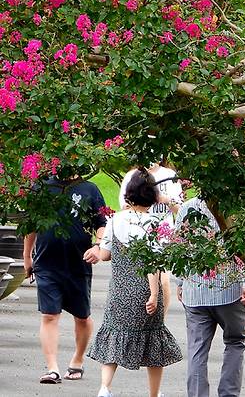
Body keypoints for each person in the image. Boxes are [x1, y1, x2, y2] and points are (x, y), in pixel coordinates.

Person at [88, 167, 182, 397]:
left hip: (120, 291)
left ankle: (104, 387)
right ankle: (154, 393)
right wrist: (153, 295)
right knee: (154, 339)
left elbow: (105, 255)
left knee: (114, 333)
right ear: (153, 196)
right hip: (147, 292)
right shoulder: (156, 224)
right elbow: (154, 263)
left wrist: (96, 249)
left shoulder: (115, 220)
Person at [23, 171, 107, 384]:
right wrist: (27, 257)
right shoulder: (40, 186)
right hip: (46, 263)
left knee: (82, 317)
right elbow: (31, 224)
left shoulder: (89, 189)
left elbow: (101, 223)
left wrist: (98, 247)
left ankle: (77, 360)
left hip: (79, 263)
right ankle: (52, 369)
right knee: (49, 315)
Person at [174, 197, 245, 397]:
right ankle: (229, 394)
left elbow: (178, 248)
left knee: (197, 350)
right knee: (235, 342)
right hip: (230, 291)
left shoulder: (187, 208)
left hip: (195, 292)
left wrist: (181, 282)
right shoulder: (235, 205)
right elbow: (244, 248)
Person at [119, 161, 182, 314]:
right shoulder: (132, 176)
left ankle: (161, 319)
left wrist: (165, 199)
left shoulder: (169, 175)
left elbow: (180, 209)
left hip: (163, 236)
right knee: (141, 281)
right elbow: (124, 206)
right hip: (138, 235)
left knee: (163, 281)